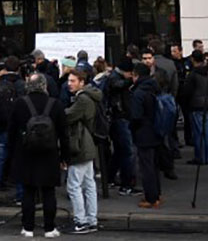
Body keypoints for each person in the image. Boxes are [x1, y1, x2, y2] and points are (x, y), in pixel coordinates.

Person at [9, 72, 68, 237]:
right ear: (45, 86)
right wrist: (65, 156)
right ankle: (50, 227)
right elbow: (64, 133)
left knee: (28, 191)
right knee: (49, 192)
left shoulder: (20, 103)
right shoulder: (55, 104)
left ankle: (28, 227)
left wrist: (12, 154)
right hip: (49, 153)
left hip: (26, 152)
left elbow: (12, 130)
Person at [63, 69, 101, 234]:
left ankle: (81, 221)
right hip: (88, 144)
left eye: (73, 81)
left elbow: (68, 116)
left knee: (74, 186)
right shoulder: (89, 96)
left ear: (81, 82)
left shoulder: (83, 99)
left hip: (80, 144)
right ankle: (91, 220)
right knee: (89, 184)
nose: (69, 84)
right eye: (69, 81)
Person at [0, 56, 26, 205]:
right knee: (19, 160)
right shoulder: (21, 85)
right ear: (18, 68)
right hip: (19, 128)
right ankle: (20, 194)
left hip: (2, 128)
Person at [129, 63, 161, 209]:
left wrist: (132, 128)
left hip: (143, 132)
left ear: (137, 75)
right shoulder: (154, 87)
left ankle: (151, 198)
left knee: (146, 166)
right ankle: (156, 194)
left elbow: (136, 116)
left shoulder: (138, 93)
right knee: (154, 165)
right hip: (156, 129)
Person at [106, 58, 138, 196]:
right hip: (120, 118)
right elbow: (118, 86)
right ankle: (126, 184)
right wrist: (131, 81)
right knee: (127, 151)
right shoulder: (115, 79)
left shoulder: (113, 77)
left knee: (119, 151)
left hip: (117, 118)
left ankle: (110, 178)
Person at [180, 49, 208, 165]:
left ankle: (200, 157)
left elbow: (187, 91)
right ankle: (207, 156)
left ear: (193, 59)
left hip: (195, 104)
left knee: (198, 133)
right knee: (207, 131)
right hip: (207, 103)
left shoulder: (193, 74)